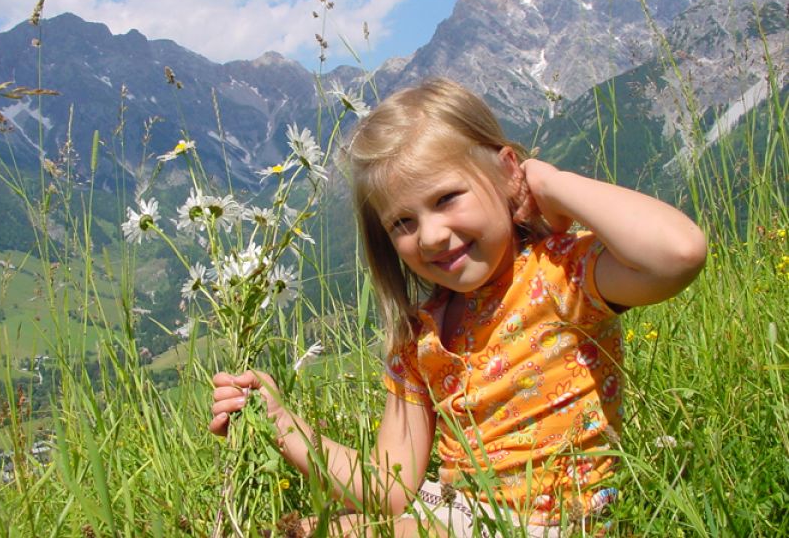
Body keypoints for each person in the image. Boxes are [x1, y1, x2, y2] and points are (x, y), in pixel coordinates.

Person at [209, 78, 707, 536]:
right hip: (463, 510)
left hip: (555, 520)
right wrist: (282, 423)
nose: (430, 236)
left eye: (447, 198)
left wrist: (547, 183)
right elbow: (391, 487)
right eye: (402, 223)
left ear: (508, 173)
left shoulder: (562, 276)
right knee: (335, 528)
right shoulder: (417, 337)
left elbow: (677, 254)